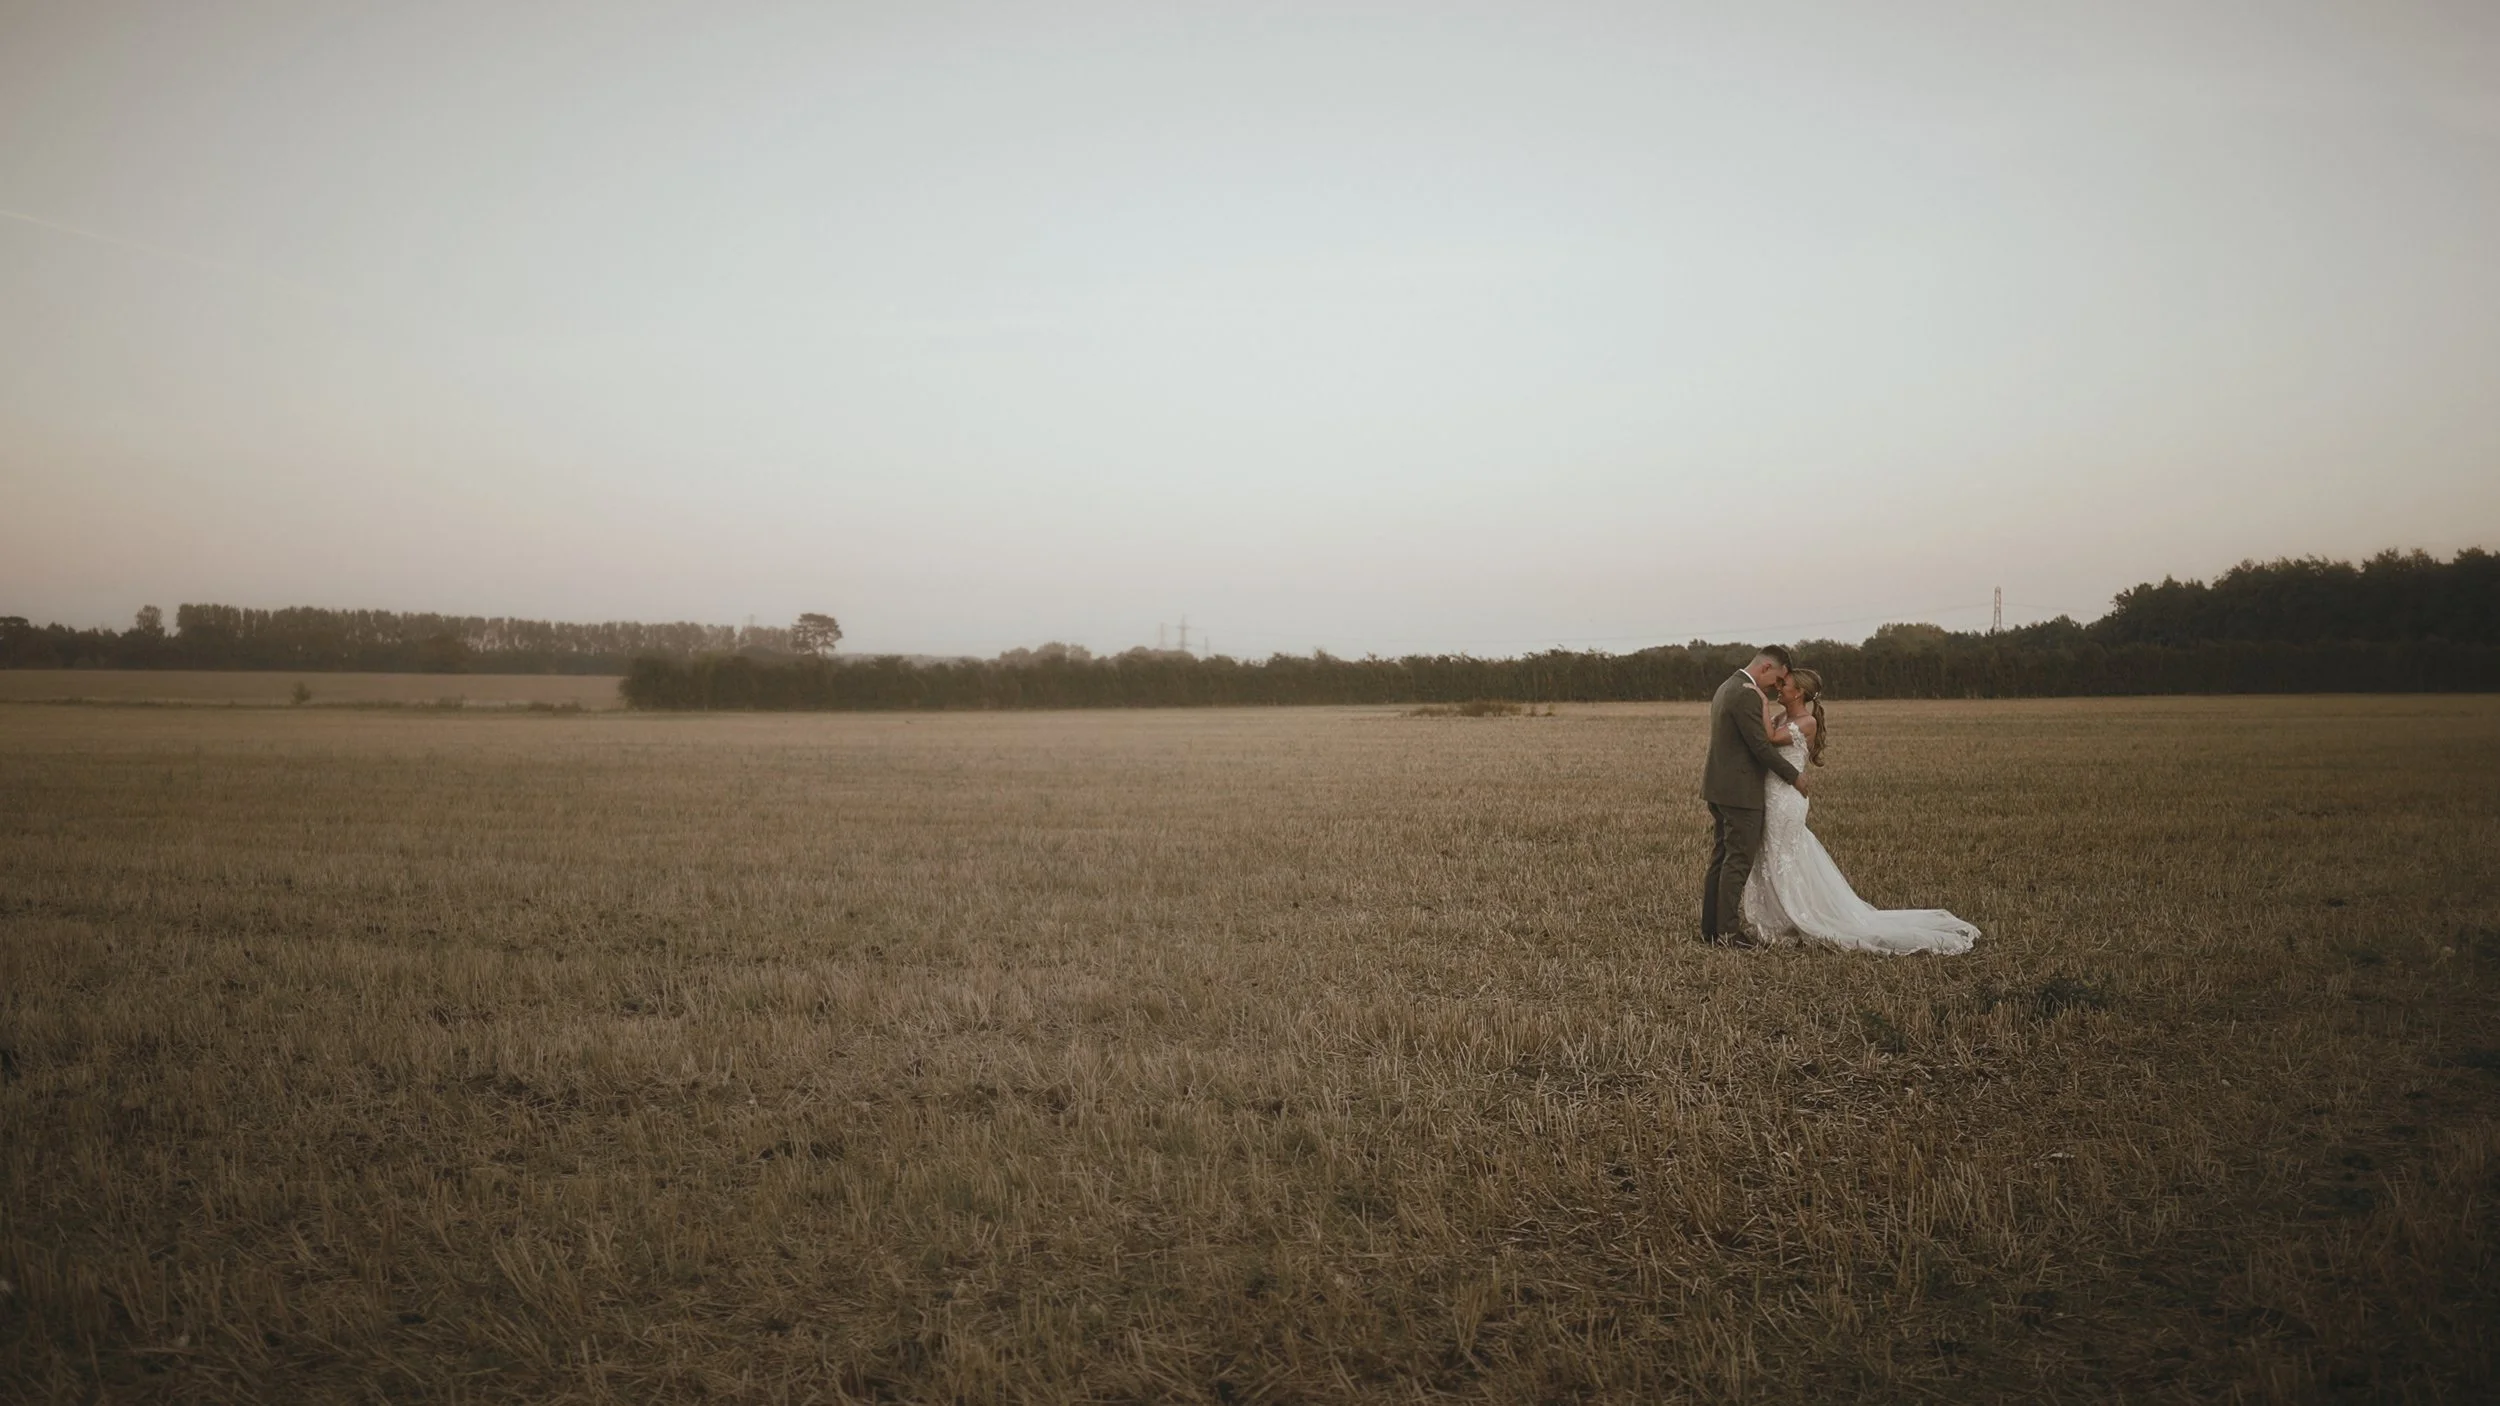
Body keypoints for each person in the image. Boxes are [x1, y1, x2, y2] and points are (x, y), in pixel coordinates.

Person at [1741, 669, 1977, 954]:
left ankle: (1800, 916)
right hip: (1771, 795)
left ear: (1799, 692)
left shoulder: (1807, 721)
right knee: (1771, 854)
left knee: (1783, 855)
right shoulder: (1782, 717)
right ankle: (1776, 919)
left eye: (1784, 684)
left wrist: (1760, 700)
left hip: (1788, 799)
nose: (1779, 687)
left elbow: (1770, 737)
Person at [1699, 646, 1807, 946]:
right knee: (1737, 860)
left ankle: (1711, 929)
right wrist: (1794, 776)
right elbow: (1761, 747)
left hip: (1719, 787)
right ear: (1767, 667)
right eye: (1777, 679)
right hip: (1740, 792)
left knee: (1721, 857)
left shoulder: (1727, 685)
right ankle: (1728, 933)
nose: (1775, 687)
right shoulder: (1745, 692)